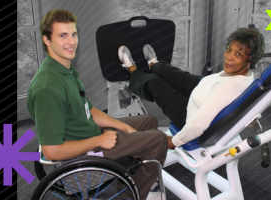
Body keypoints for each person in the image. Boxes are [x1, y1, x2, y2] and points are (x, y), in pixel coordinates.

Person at [27, 9, 167, 200]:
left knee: (148, 121)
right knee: (158, 140)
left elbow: (88, 110)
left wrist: (120, 125)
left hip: (89, 134)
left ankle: (136, 177)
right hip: (85, 155)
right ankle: (130, 194)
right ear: (47, 40)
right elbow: (51, 151)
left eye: (73, 34)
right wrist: (98, 141)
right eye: (62, 36)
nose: (71, 42)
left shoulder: (65, 70)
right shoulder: (48, 88)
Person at [118, 28, 265, 150]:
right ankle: (154, 64)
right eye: (229, 50)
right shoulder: (245, 74)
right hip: (204, 88)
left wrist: (173, 142)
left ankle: (132, 71)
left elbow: (198, 125)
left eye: (238, 54)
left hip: (187, 114)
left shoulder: (229, 88)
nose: (229, 57)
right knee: (173, 73)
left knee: (155, 83)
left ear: (250, 61)